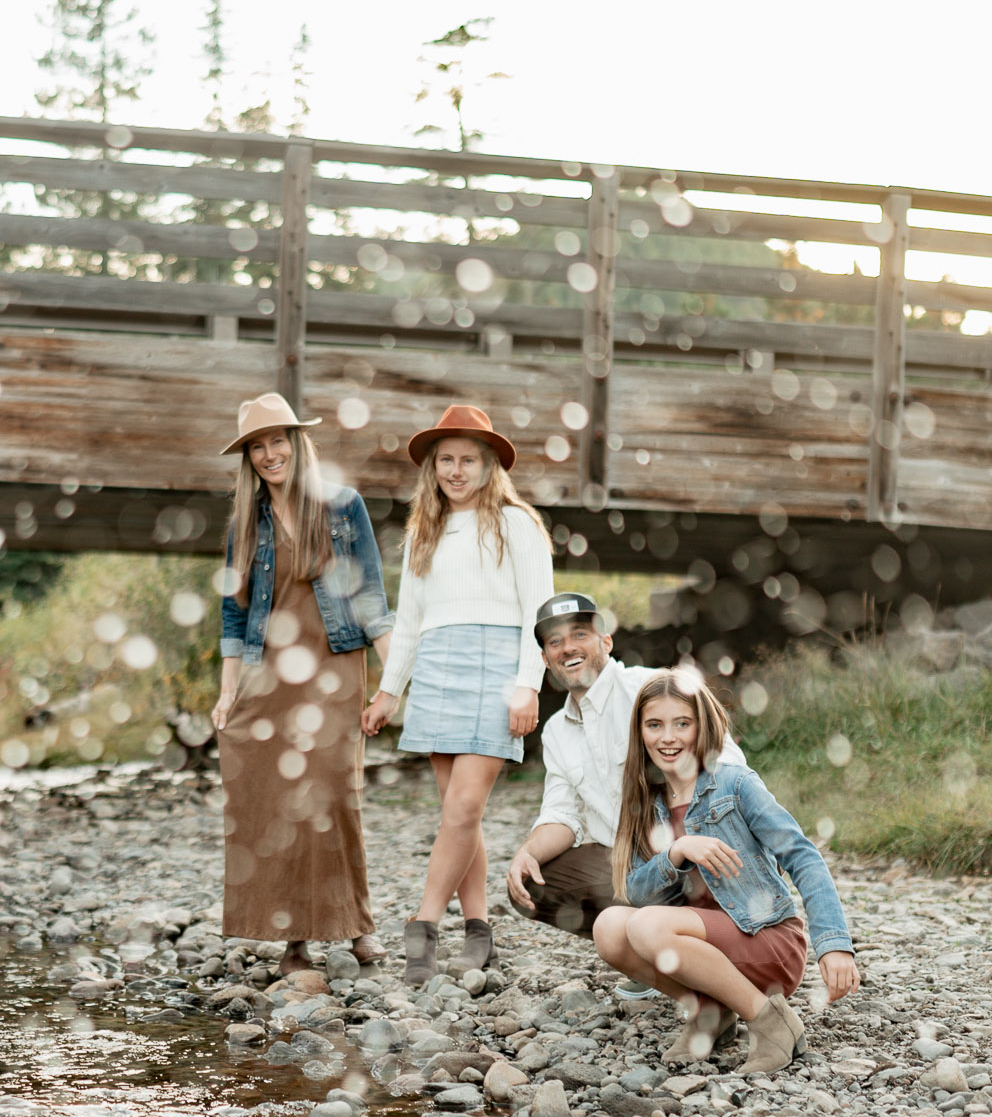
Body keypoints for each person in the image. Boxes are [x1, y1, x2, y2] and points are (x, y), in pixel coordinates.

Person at [361, 405, 551, 986]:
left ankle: (422, 927)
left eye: (468, 459)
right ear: (433, 468)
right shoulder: (425, 530)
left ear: (490, 464)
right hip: (439, 669)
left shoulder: (516, 524)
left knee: (466, 808)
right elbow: (411, 620)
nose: (456, 470)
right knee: (457, 816)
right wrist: (389, 691)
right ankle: (479, 931)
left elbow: (537, 614)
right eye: (446, 460)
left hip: (497, 670)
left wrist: (527, 685)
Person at [211, 392, 394, 978]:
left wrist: (394, 680)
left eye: (277, 441)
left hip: (335, 668)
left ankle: (356, 925)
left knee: (336, 795)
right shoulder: (246, 523)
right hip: (269, 679)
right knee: (278, 804)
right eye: (257, 446)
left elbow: (370, 595)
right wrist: (227, 691)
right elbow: (234, 618)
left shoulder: (343, 506)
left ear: (296, 442)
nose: (269, 454)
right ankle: (294, 941)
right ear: (249, 458)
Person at [599, 668, 861, 1074]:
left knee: (647, 927)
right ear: (640, 732)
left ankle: (770, 1021)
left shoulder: (734, 784)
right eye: (655, 725)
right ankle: (710, 1012)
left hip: (765, 940)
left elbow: (803, 856)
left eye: (681, 723)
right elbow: (637, 891)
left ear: (701, 726)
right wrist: (676, 852)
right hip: (702, 945)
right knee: (610, 929)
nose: (667, 737)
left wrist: (835, 943)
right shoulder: (643, 801)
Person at [503, 592, 748, 938]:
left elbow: (727, 765)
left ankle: (708, 930)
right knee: (532, 883)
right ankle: (642, 945)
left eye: (579, 634)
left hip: (696, 851)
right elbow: (562, 816)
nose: (568, 648)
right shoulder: (557, 731)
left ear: (606, 640)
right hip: (633, 867)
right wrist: (526, 853)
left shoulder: (653, 688)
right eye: (555, 641)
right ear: (545, 658)